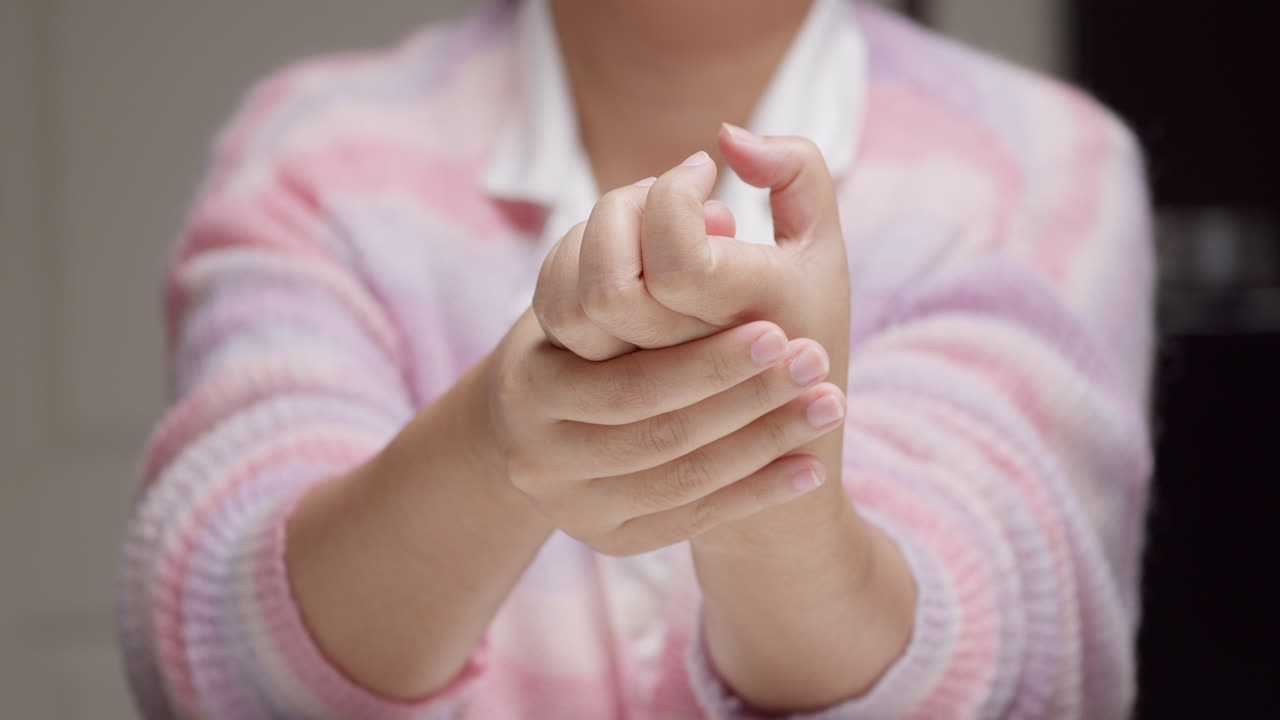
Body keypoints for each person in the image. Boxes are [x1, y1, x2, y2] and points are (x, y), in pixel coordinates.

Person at [118, 0, 1155, 717]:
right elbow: (226, 671)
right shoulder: (311, 153)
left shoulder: (1045, 161)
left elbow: (1016, 676)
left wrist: (768, 464)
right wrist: (492, 441)